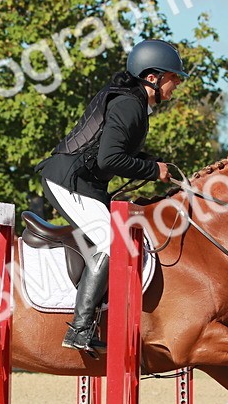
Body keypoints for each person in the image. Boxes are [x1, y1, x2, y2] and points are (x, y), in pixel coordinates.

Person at [35, 38, 185, 354]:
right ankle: (79, 329)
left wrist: (158, 166)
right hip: (69, 181)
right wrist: (151, 169)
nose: (176, 87)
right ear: (153, 77)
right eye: (174, 79)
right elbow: (109, 159)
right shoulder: (129, 104)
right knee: (110, 241)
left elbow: (121, 153)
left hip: (85, 183)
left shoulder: (133, 104)